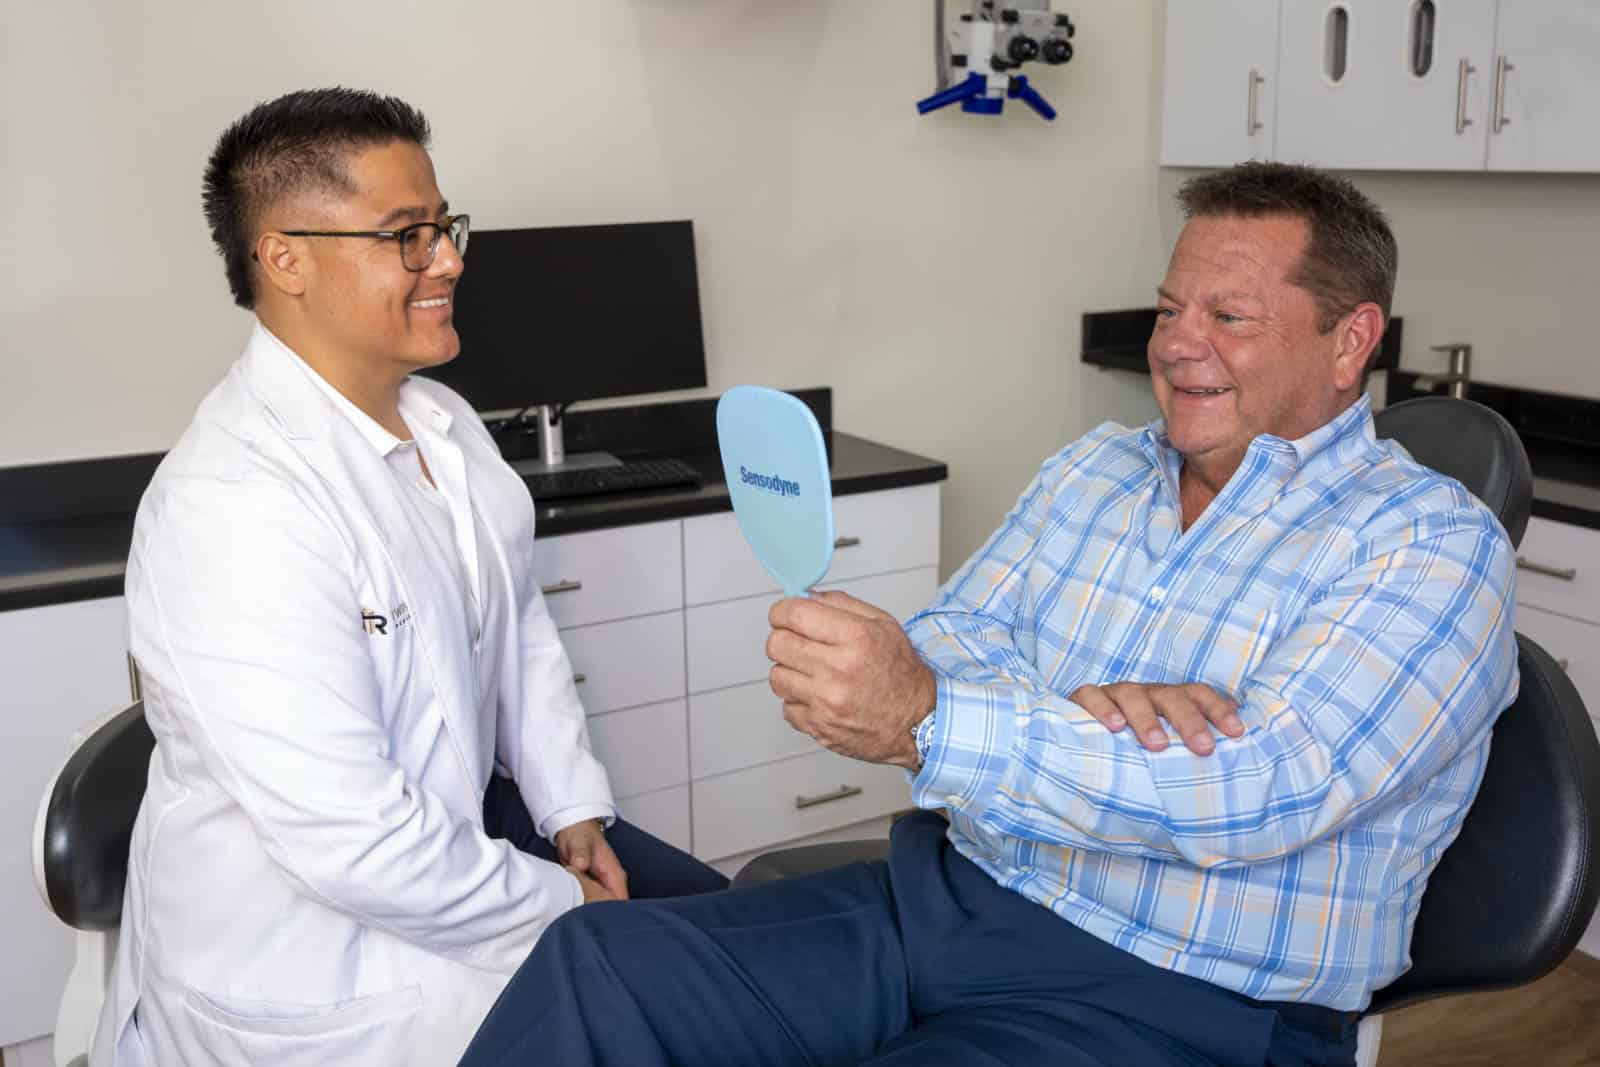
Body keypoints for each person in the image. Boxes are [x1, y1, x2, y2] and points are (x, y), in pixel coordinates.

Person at [458, 162, 1519, 1067]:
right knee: (598, 960)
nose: (1175, 345)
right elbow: (957, 636)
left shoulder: (1427, 545)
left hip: (1180, 993)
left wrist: (938, 717)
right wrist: (1086, 717)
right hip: (954, 898)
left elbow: (1259, 793)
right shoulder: (1097, 470)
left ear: (1350, 342)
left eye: (1229, 317)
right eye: (1166, 308)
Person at [95, 88, 725, 1067]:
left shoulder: (445, 424)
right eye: (407, 235)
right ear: (285, 258)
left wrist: (572, 808)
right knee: (702, 1005)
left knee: (731, 934)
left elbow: (516, 625)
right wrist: (568, 906)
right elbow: (356, 843)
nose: (450, 259)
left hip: (464, 838)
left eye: (443, 225)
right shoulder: (235, 506)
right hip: (311, 961)